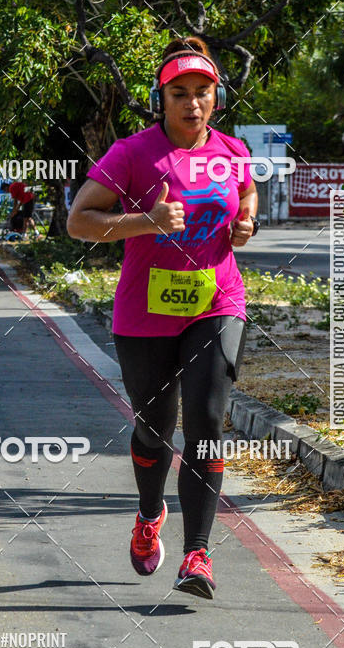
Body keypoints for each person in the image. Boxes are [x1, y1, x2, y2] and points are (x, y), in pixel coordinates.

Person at [67, 37, 258, 600]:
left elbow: (245, 195)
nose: (192, 104)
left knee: (207, 420)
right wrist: (146, 221)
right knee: (156, 429)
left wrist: (245, 223)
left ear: (216, 98)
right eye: (180, 93)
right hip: (144, 312)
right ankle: (150, 514)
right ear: (162, 98)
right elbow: (80, 222)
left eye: (203, 93)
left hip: (216, 302)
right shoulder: (131, 153)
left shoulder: (232, 149)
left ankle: (198, 554)